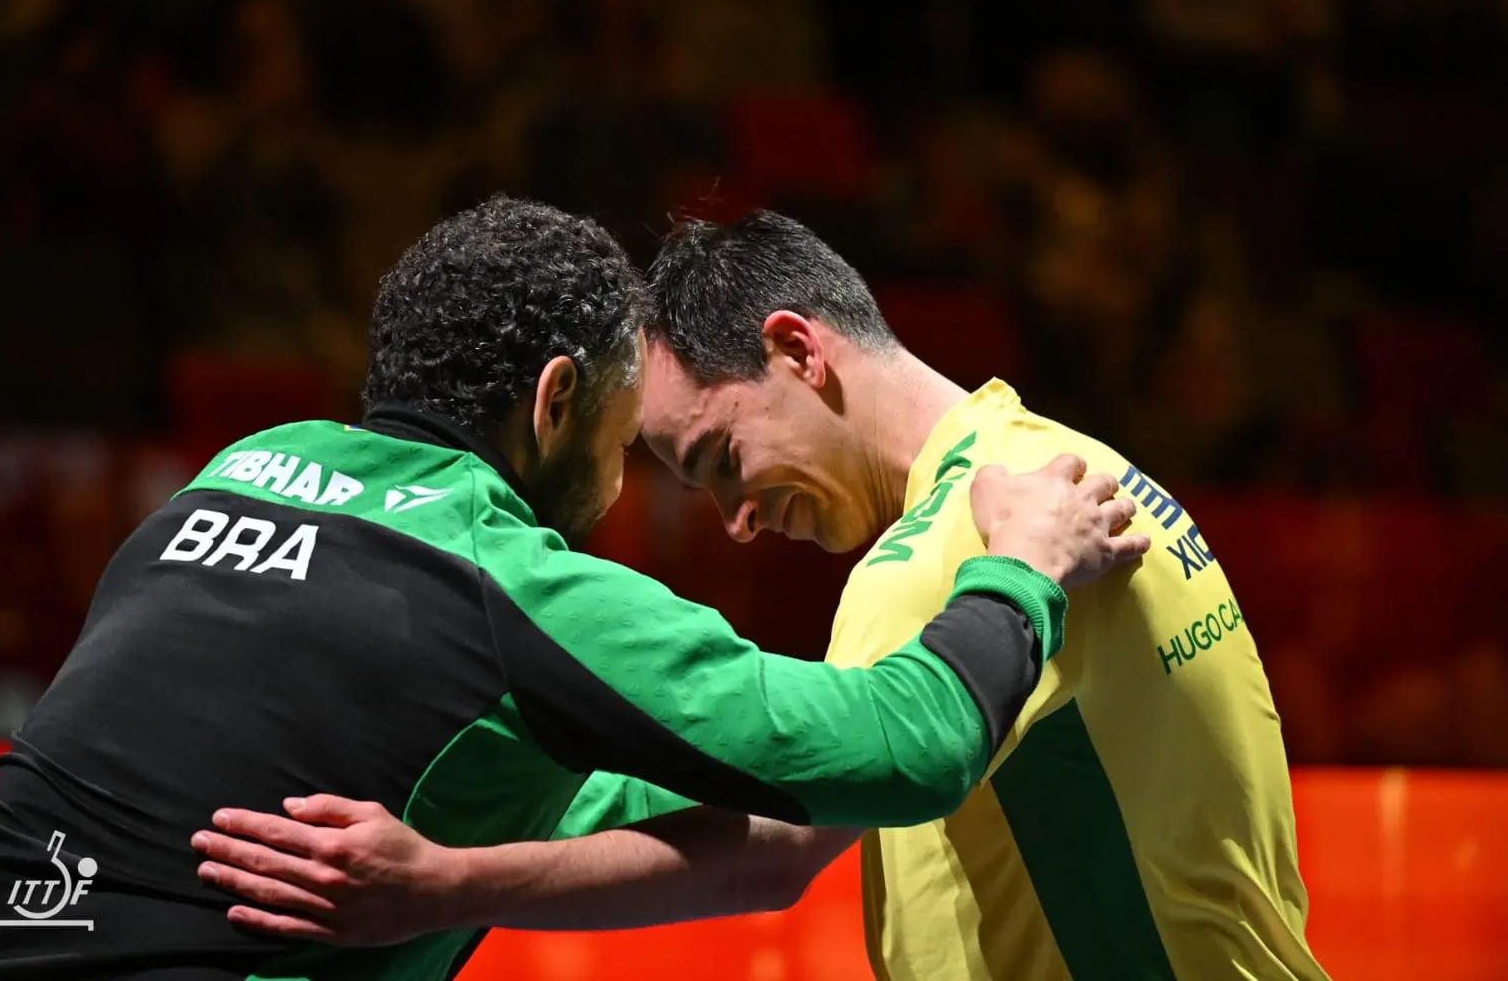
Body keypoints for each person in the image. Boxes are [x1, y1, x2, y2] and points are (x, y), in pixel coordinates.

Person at [0, 197, 1146, 981]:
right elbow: (916, 747)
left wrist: (461, 879)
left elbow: (549, 775)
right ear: (555, 403)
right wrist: (1017, 572)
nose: (616, 488)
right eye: (621, 446)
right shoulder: (507, 584)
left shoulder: (227, 479)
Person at [195, 210, 1328, 980]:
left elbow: (771, 849)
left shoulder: (955, 554)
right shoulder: (1078, 463)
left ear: (797, 349)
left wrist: (443, 885)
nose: (738, 520)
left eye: (722, 461)